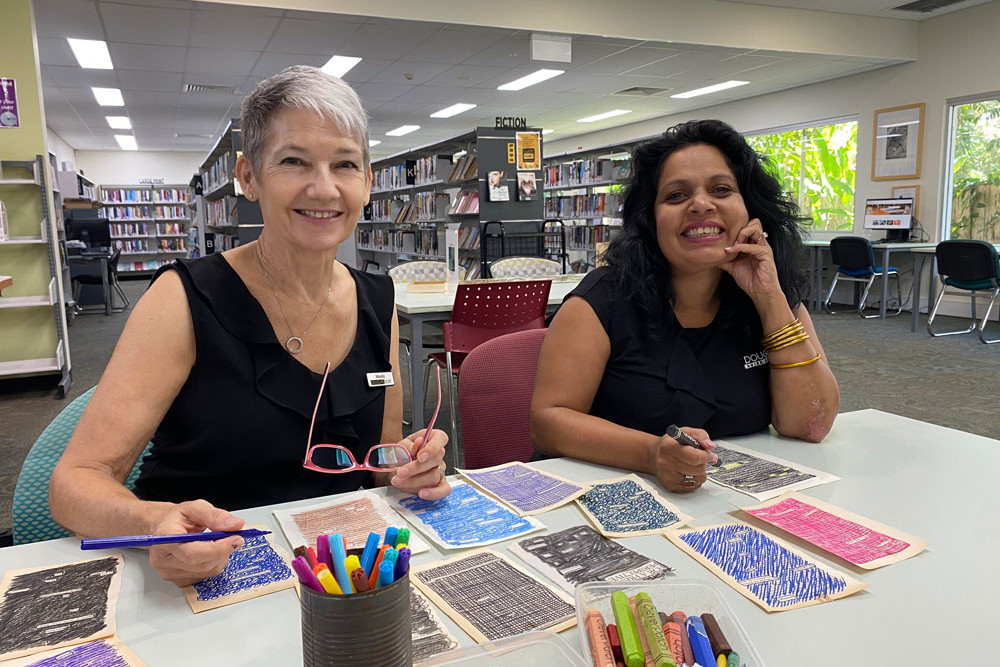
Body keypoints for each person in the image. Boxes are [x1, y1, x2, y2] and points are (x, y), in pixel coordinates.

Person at [50, 66, 451, 586]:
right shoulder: (183, 298)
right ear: (247, 176)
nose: (324, 188)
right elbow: (75, 482)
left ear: (368, 182)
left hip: (334, 578)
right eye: (293, 161)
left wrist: (410, 466)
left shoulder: (380, 299)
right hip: (199, 577)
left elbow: (377, 463)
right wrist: (153, 522)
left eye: (345, 164)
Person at [531, 119, 839, 494]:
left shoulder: (773, 295)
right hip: (615, 494)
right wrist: (650, 453)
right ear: (650, 220)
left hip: (734, 501)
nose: (701, 205)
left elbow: (810, 425)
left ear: (750, 208)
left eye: (722, 189)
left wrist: (769, 297)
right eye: (676, 196)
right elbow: (548, 423)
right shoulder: (602, 299)